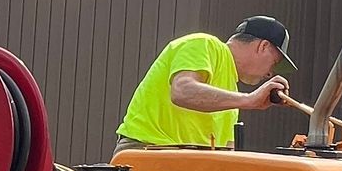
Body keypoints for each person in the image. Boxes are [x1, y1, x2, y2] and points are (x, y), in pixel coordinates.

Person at [117, 16, 297, 151]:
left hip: (179, 166)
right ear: (263, 46)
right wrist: (249, 99)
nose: (269, 73)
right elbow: (182, 91)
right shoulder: (204, 44)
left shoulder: (231, 98)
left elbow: (225, 155)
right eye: (273, 63)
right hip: (147, 153)